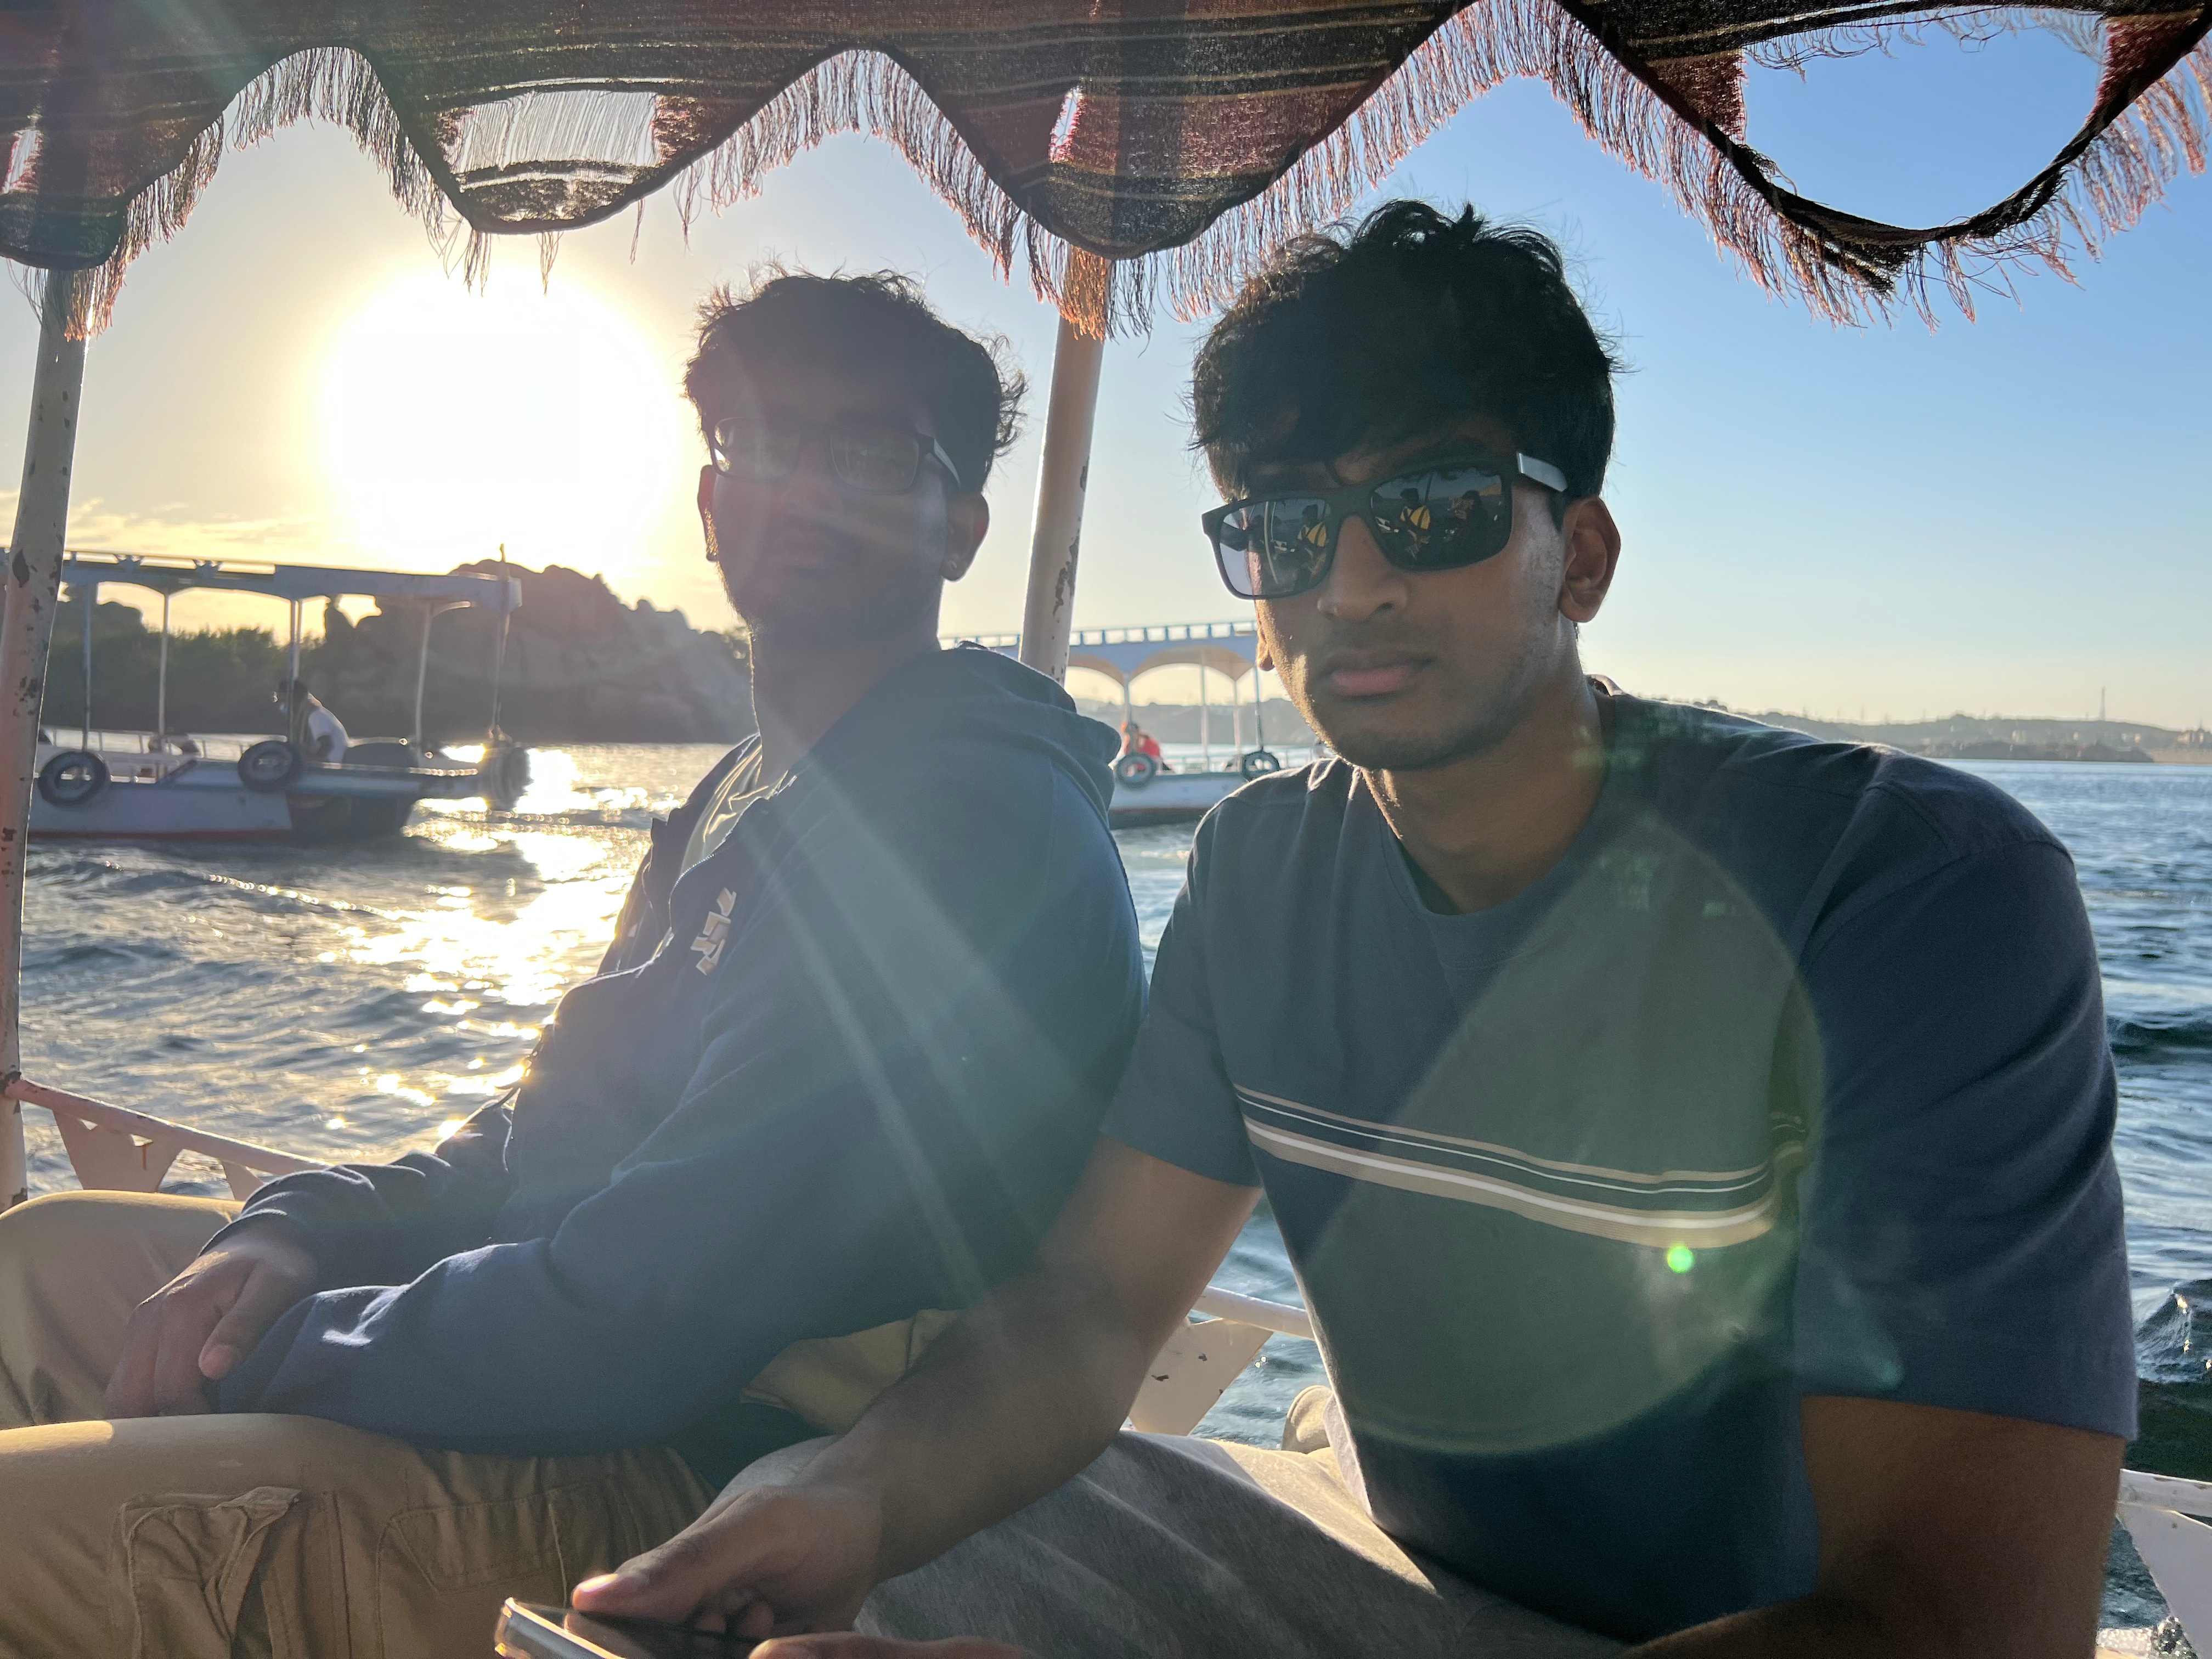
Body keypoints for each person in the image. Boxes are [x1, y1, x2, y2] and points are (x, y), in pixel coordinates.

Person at [578, 204, 2136, 1658]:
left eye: (1436, 508)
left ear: (1583, 556)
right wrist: (851, 1497)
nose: (1358, 584)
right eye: (1289, 529)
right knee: (838, 1549)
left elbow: (1962, 1623)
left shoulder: (1906, 890)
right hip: (1390, 1579)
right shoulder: (1262, 869)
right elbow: (1093, 1307)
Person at [0, 271, 1145, 1657]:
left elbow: (643, 1320)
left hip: (718, 1481)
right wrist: (301, 1230)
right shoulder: (744, 794)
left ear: (960, 527)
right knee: (43, 1264)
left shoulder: (961, 827)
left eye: (870, 454)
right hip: (588, 1374)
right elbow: (541, 1134)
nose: (806, 487)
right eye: (766, 443)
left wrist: (265, 1353)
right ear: (712, 502)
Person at [280, 674, 351, 761]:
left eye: (282, 700)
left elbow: (326, 746)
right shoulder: (307, 716)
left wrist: (309, 760)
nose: (281, 704)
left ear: (294, 699)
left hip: (332, 765)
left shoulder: (315, 716)